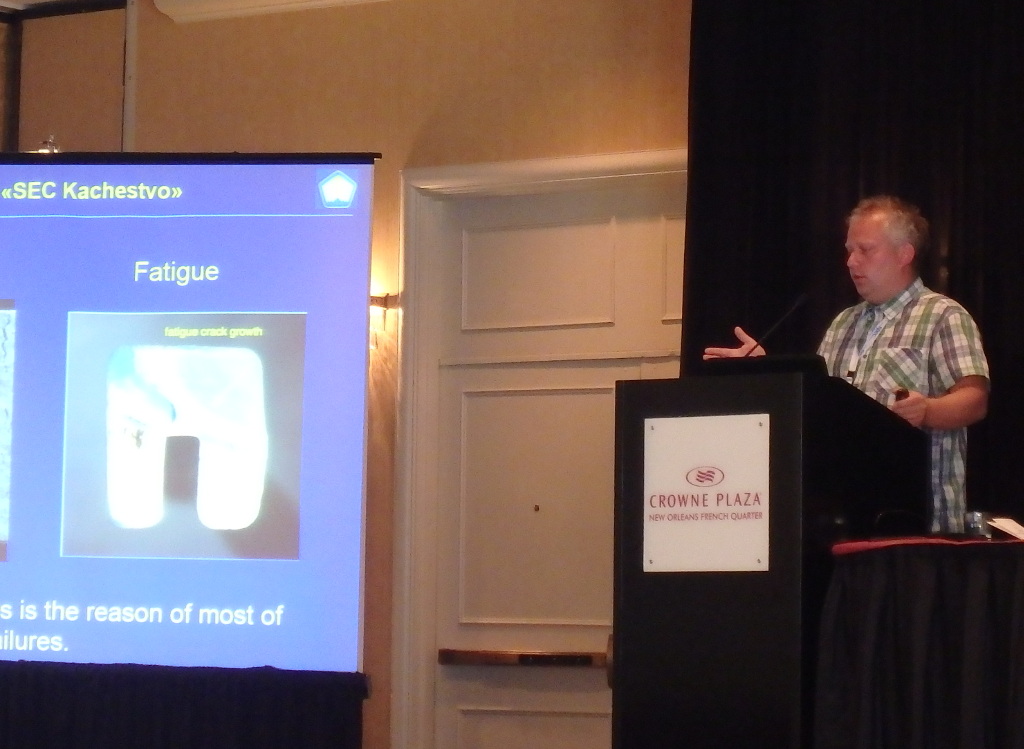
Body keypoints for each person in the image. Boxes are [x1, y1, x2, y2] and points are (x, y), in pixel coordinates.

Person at [703, 195, 990, 533]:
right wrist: (769, 374)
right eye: (849, 250)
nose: (851, 262)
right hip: (843, 521)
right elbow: (820, 405)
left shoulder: (943, 316)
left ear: (904, 254)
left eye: (865, 250)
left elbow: (975, 399)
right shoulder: (843, 324)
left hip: (920, 522)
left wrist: (927, 410)